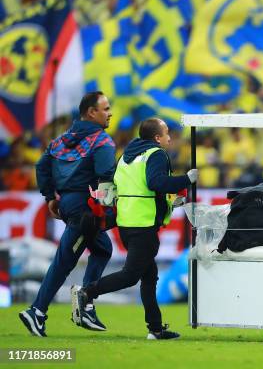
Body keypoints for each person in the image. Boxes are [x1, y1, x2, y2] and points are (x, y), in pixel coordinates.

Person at [71, 118, 198, 340]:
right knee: (131, 276)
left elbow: (136, 189)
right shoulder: (156, 154)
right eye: (167, 133)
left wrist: (169, 203)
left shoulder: (127, 156)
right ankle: (86, 293)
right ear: (157, 138)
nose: (169, 137)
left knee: (149, 276)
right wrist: (186, 179)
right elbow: (155, 183)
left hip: (127, 223)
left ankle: (156, 329)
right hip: (143, 225)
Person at [19, 91, 115, 337]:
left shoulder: (59, 141)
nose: (110, 113)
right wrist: (108, 212)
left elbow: (41, 166)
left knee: (102, 249)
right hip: (86, 208)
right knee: (64, 261)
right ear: (91, 112)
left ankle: (85, 305)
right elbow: (106, 177)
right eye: (105, 109)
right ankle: (38, 311)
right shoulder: (102, 141)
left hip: (68, 204)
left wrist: (50, 196)